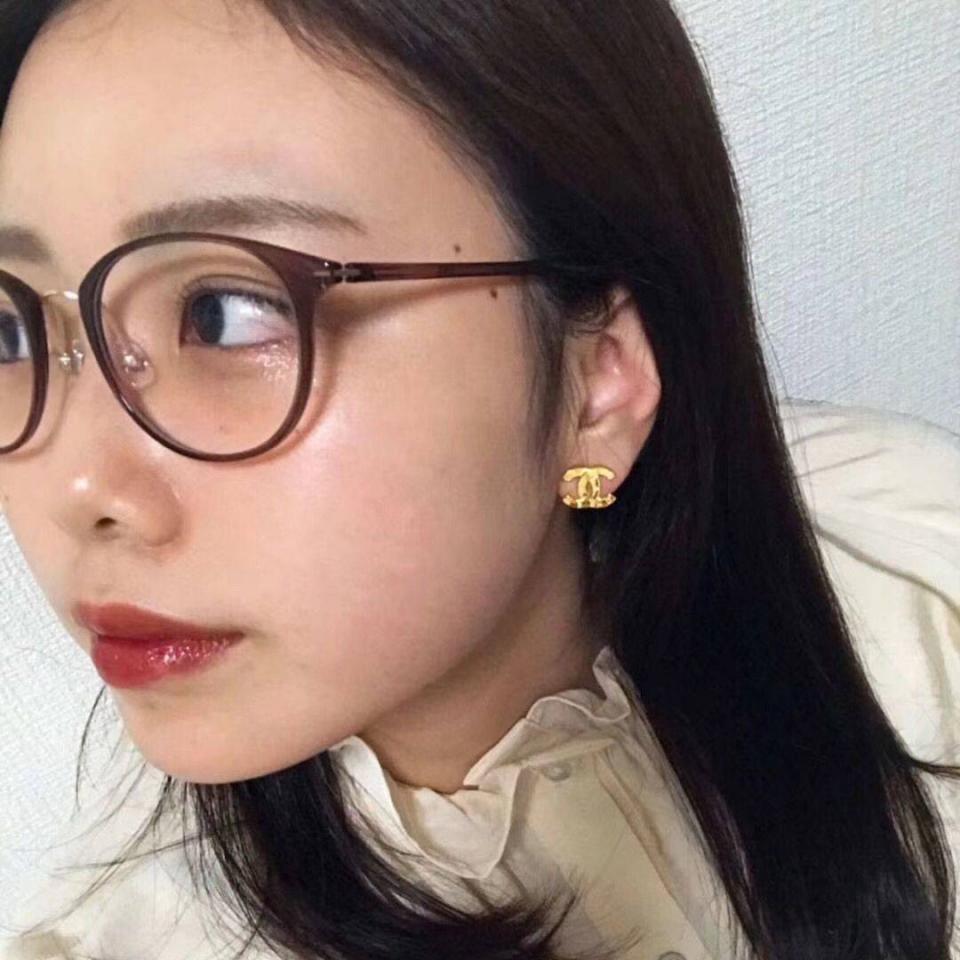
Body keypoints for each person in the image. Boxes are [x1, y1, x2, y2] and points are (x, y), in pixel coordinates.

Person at [0, 2, 957, 958]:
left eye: (226, 312)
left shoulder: (921, 575)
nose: (82, 489)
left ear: (597, 384)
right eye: (13, 331)